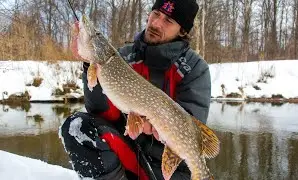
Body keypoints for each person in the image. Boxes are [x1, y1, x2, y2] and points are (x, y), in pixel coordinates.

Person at [59, 0, 211, 179]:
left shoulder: (195, 68)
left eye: (168, 21)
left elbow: (190, 127)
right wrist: (87, 64)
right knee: (78, 126)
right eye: (156, 14)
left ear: (183, 31)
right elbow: (100, 113)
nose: (156, 23)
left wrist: (158, 128)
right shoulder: (123, 57)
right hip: (129, 157)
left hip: (173, 171)